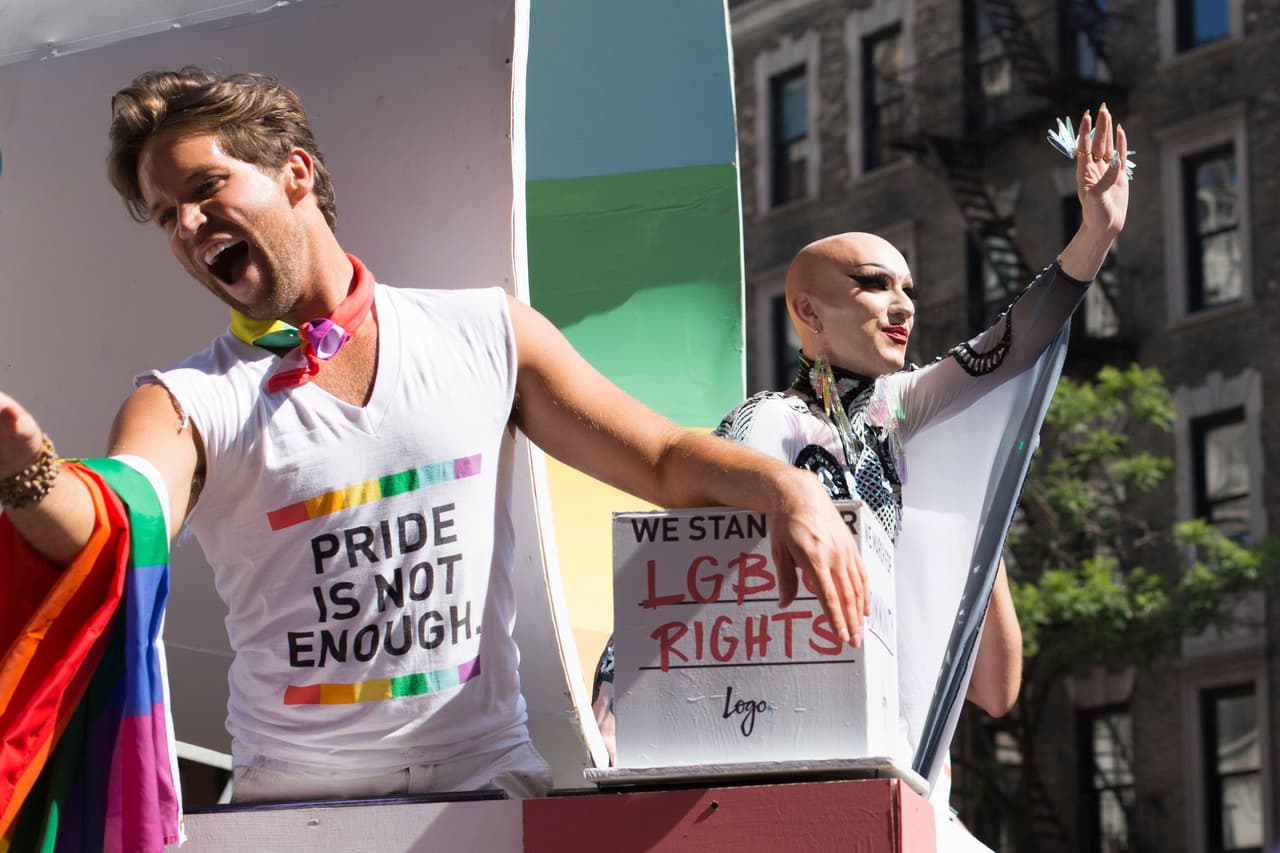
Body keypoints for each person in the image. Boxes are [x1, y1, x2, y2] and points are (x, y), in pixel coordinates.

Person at [0, 67, 871, 804]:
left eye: (204, 189)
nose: (187, 228)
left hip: (487, 793)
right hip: (295, 810)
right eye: (165, 216)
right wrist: (29, 470)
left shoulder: (485, 332)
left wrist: (787, 486)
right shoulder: (184, 399)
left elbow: (660, 458)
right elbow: (110, 524)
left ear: (296, 172)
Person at [597, 104, 1128, 846]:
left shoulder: (902, 411)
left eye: (907, 287)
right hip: (804, 779)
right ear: (807, 309)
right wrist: (612, 702)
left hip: (911, 784)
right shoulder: (765, 426)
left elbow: (1011, 347)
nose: (903, 305)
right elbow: (682, 559)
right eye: (875, 284)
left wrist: (1093, 236)